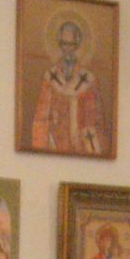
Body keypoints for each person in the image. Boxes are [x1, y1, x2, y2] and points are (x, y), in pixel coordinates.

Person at [28, 15, 108, 155]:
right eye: (64, 44)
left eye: (71, 44)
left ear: (77, 45)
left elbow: (96, 121)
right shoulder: (50, 78)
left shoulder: (89, 81)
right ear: (59, 44)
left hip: (81, 146)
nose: (67, 49)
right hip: (54, 144)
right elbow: (41, 118)